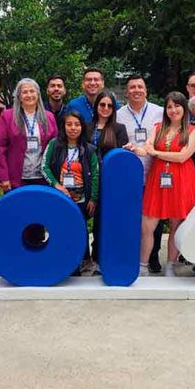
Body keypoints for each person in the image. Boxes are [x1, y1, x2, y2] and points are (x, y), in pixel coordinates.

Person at [133, 92, 195, 277]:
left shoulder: (194, 131)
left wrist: (155, 153)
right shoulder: (158, 128)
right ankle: (143, 265)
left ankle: (171, 264)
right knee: (147, 225)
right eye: (169, 107)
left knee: (176, 224)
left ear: (184, 108)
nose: (173, 110)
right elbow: (146, 148)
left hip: (182, 179)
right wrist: (136, 149)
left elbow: (182, 157)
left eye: (177, 106)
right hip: (158, 179)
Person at [115, 74, 166, 273]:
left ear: (146, 90)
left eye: (140, 86)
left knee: (155, 217)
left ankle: (153, 257)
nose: (136, 90)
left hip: (155, 172)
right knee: (131, 216)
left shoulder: (159, 112)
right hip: (129, 175)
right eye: (132, 87)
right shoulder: (118, 115)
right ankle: (131, 254)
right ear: (126, 92)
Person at [41, 110, 100, 274]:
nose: (73, 128)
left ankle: (80, 262)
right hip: (61, 198)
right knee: (61, 229)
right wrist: (56, 185)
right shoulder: (55, 144)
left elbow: (95, 174)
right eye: (69, 124)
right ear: (63, 126)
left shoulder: (89, 149)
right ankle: (61, 260)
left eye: (77, 124)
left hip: (81, 199)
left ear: (82, 127)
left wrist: (93, 198)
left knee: (80, 230)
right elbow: (44, 167)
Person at [86, 91, 128, 274]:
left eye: (109, 106)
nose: (105, 108)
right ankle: (89, 259)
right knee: (89, 222)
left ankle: (104, 260)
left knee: (105, 222)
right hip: (88, 181)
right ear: (96, 107)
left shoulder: (119, 129)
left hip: (110, 184)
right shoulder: (86, 127)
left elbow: (122, 158)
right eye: (102, 105)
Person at [0, 78, 58, 192]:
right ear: (19, 97)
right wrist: (3, 177)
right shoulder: (8, 116)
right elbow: (0, 148)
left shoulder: (49, 117)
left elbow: (55, 147)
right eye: (25, 92)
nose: (29, 95)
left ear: (38, 94)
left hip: (43, 177)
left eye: (32, 91)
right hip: (17, 178)